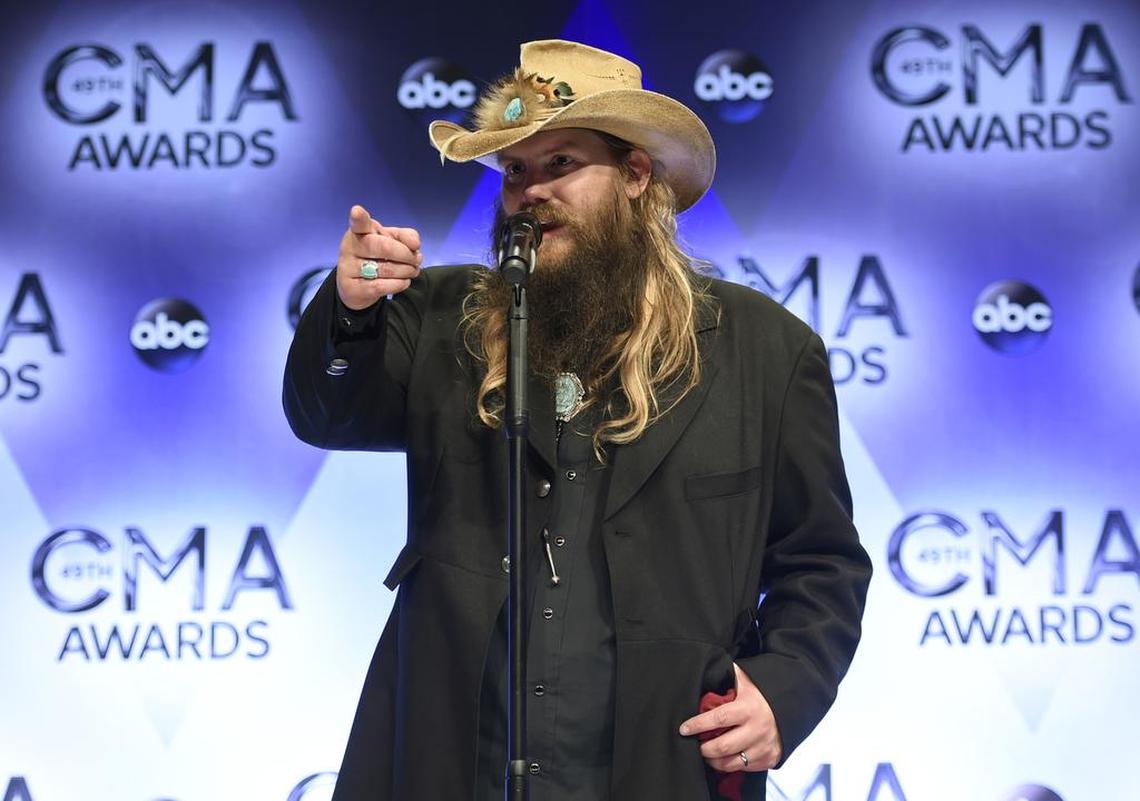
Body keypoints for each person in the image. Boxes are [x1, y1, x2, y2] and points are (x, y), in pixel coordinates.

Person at [284, 39, 871, 801]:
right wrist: (353, 314)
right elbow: (324, 410)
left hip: (659, 764)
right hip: (455, 758)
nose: (530, 192)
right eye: (516, 171)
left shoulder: (765, 351)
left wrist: (782, 690)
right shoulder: (443, 317)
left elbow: (822, 561)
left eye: (561, 163)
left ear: (635, 175)